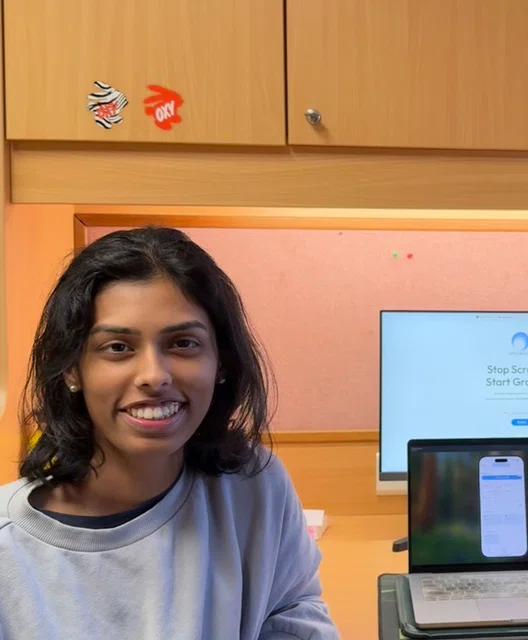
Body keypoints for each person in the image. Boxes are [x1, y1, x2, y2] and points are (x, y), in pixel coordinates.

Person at [0, 227, 341, 639]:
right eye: (118, 347)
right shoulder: (11, 552)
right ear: (72, 369)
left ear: (221, 362)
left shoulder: (253, 486)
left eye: (183, 343)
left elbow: (292, 609)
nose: (154, 375)